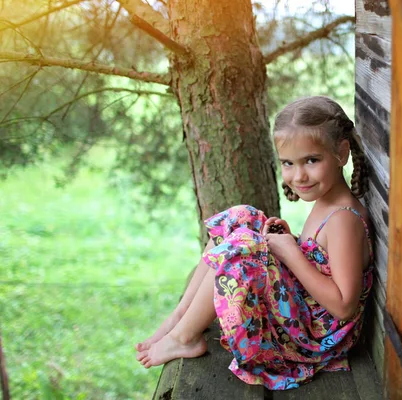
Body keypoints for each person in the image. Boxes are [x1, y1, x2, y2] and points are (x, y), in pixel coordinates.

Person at [135, 95, 373, 390]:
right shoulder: (328, 201)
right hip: (303, 311)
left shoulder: (343, 219)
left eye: (311, 160)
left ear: (341, 152)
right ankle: (182, 317)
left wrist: (290, 253)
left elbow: (343, 306)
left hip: (317, 335)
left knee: (244, 244)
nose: (298, 175)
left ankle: (185, 338)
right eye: (288, 163)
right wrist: (293, 243)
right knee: (241, 218)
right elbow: (323, 260)